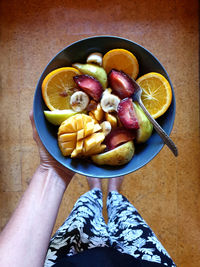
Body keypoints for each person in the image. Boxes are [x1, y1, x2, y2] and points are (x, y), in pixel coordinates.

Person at [0, 111, 176, 267]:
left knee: (83, 216)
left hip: (69, 258)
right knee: (128, 221)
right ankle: (114, 194)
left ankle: (95, 192)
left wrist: (52, 170)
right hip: (144, 261)